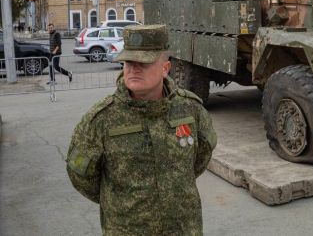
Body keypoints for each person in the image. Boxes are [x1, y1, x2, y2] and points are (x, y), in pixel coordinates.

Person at [66, 24, 217, 235]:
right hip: (128, 229)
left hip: (184, 228)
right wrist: (121, 201)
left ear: (165, 68)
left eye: (143, 62)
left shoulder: (190, 109)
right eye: (128, 61)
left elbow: (201, 156)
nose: (133, 68)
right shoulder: (101, 119)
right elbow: (81, 176)